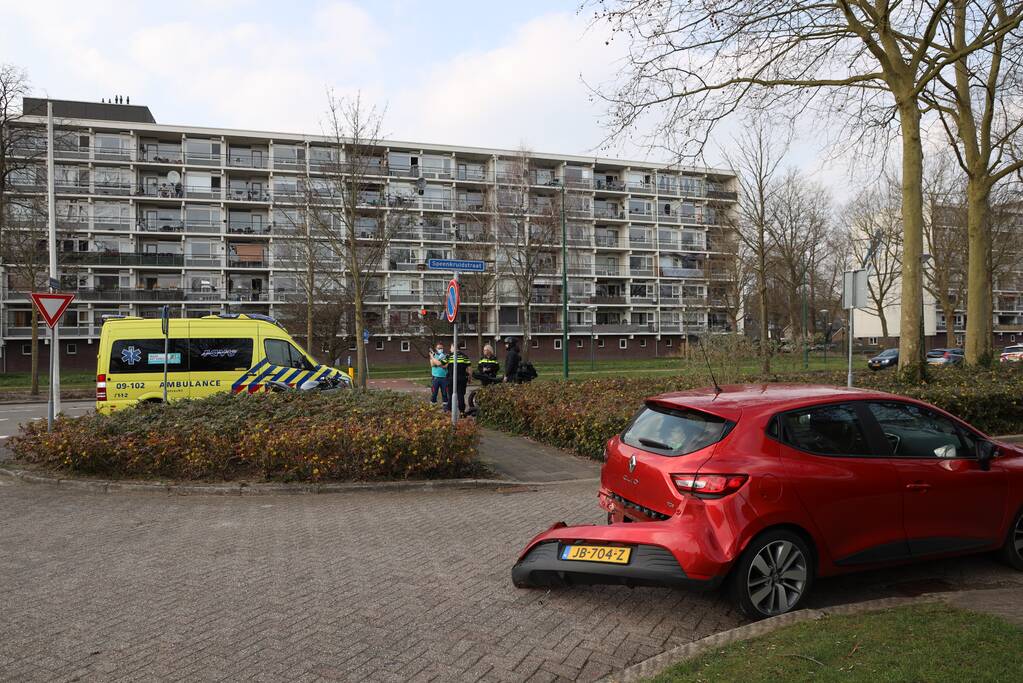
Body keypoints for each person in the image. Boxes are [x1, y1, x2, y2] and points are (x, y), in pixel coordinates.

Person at [444, 344, 472, 415]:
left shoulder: (449, 356)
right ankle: (462, 412)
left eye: (451, 347)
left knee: (451, 395)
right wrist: (469, 378)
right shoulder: (464, 356)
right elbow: (469, 368)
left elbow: (441, 364)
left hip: (451, 379)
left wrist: (432, 357)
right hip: (462, 379)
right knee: (460, 395)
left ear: (454, 347)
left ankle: (449, 410)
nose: (450, 349)